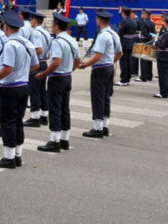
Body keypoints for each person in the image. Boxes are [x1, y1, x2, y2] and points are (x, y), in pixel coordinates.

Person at [0, 11, 38, 166]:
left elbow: (7, 69)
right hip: (23, 86)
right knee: (18, 121)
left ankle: (9, 157)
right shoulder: (27, 43)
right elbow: (36, 65)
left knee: (7, 122)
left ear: (6, 27)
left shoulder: (9, 45)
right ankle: (18, 155)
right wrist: (22, 71)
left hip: (9, 88)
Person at [35, 13, 80, 152]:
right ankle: (64, 139)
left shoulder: (57, 42)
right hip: (67, 77)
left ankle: (54, 140)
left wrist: (43, 74)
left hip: (57, 78)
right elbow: (77, 60)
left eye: (53, 24)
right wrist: (69, 70)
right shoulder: (72, 40)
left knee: (55, 109)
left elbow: (56, 62)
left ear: (56, 26)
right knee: (64, 108)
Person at [79, 9, 123, 138]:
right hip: (109, 67)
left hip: (100, 69)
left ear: (99, 20)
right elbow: (120, 53)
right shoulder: (114, 34)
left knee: (97, 98)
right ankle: (105, 126)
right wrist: (110, 61)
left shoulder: (102, 35)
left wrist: (85, 65)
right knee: (105, 97)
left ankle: (97, 128)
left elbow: (98, 56)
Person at [24, 11, 51, 127]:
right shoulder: (46, 33)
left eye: (31, 20)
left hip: (37, 63)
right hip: (44, 62)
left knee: (34, 90)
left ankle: (35, 117)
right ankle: (44, 115)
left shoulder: (35, 33)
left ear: (34, 20)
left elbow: (38, 50)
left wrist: (27, 56)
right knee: (41, 90)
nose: (30, 22)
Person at [153, 15, 168, 98]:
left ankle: (163, 92)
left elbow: (162, 45)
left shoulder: (167, 34)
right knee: (165, 74)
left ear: (166, 23)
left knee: (163, 75)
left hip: (163, 56)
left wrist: (156, 41)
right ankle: (164, 91)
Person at [116, 7, 137, 86]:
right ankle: (127, 78)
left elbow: (120, 33)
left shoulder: (124, 22)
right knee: (128, 62)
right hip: (130, 43)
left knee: (123, 62)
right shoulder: (133, 21)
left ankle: (123, 79)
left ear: (123, 13)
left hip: (124, 43)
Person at [135, 9, 156, 82]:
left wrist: (147, 37)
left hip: (144, 41)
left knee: (143, 59)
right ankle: (149, 75)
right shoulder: (152, 23)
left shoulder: (144, 23)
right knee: (149, 59)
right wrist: (151, 38)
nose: (141, 14)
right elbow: (154, 33)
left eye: (143, 13)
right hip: (150, 42)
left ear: (146, 15)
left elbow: (144, 32)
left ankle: (143, 76)